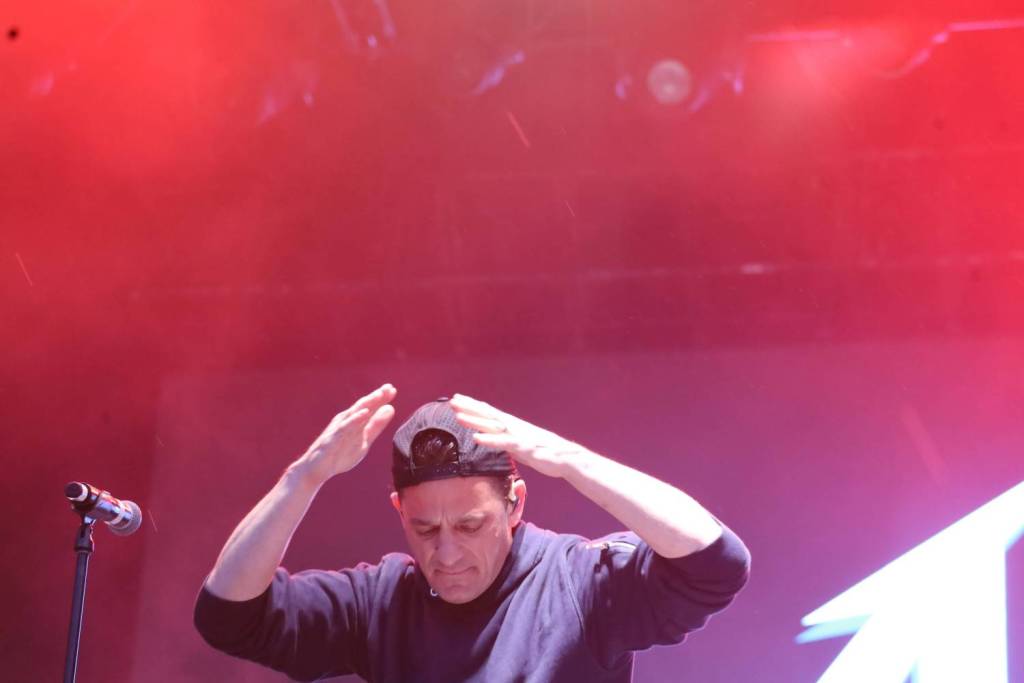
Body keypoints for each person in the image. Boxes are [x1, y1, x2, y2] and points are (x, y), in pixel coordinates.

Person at [194, 384, 750, 682]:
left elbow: (716, 565)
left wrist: (570, 460)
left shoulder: (577, 583)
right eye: (425, 529)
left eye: (470, 525)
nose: (447, 553)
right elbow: (228, 616)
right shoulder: (380, 603)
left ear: (515, 504)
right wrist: (302, 479)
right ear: (399, 512)